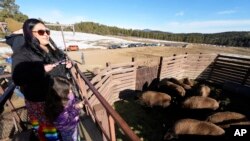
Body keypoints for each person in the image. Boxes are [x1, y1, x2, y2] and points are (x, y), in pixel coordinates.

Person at [10, 18, 72, 140]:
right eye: (41, 32)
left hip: (58, 99)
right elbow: (17, 78)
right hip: (40, 102)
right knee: (49, 134)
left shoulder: (51, 49)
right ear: (29, 33)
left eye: (47, 31)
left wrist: (66, 67)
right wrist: (41, 69)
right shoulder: (23, 53)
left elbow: (58, 70)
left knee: (61, 129)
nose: (46, 35)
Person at [45, 76, 83, 141]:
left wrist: (77, 102)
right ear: (61, 93)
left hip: (73, 124)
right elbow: (66, 121)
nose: (71, 91)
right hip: (67, 130)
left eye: (71, 88)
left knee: (76, 136)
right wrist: (76, 108)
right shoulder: (58, 109)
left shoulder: (68, 95)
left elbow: (73, 101)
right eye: (69, 90)